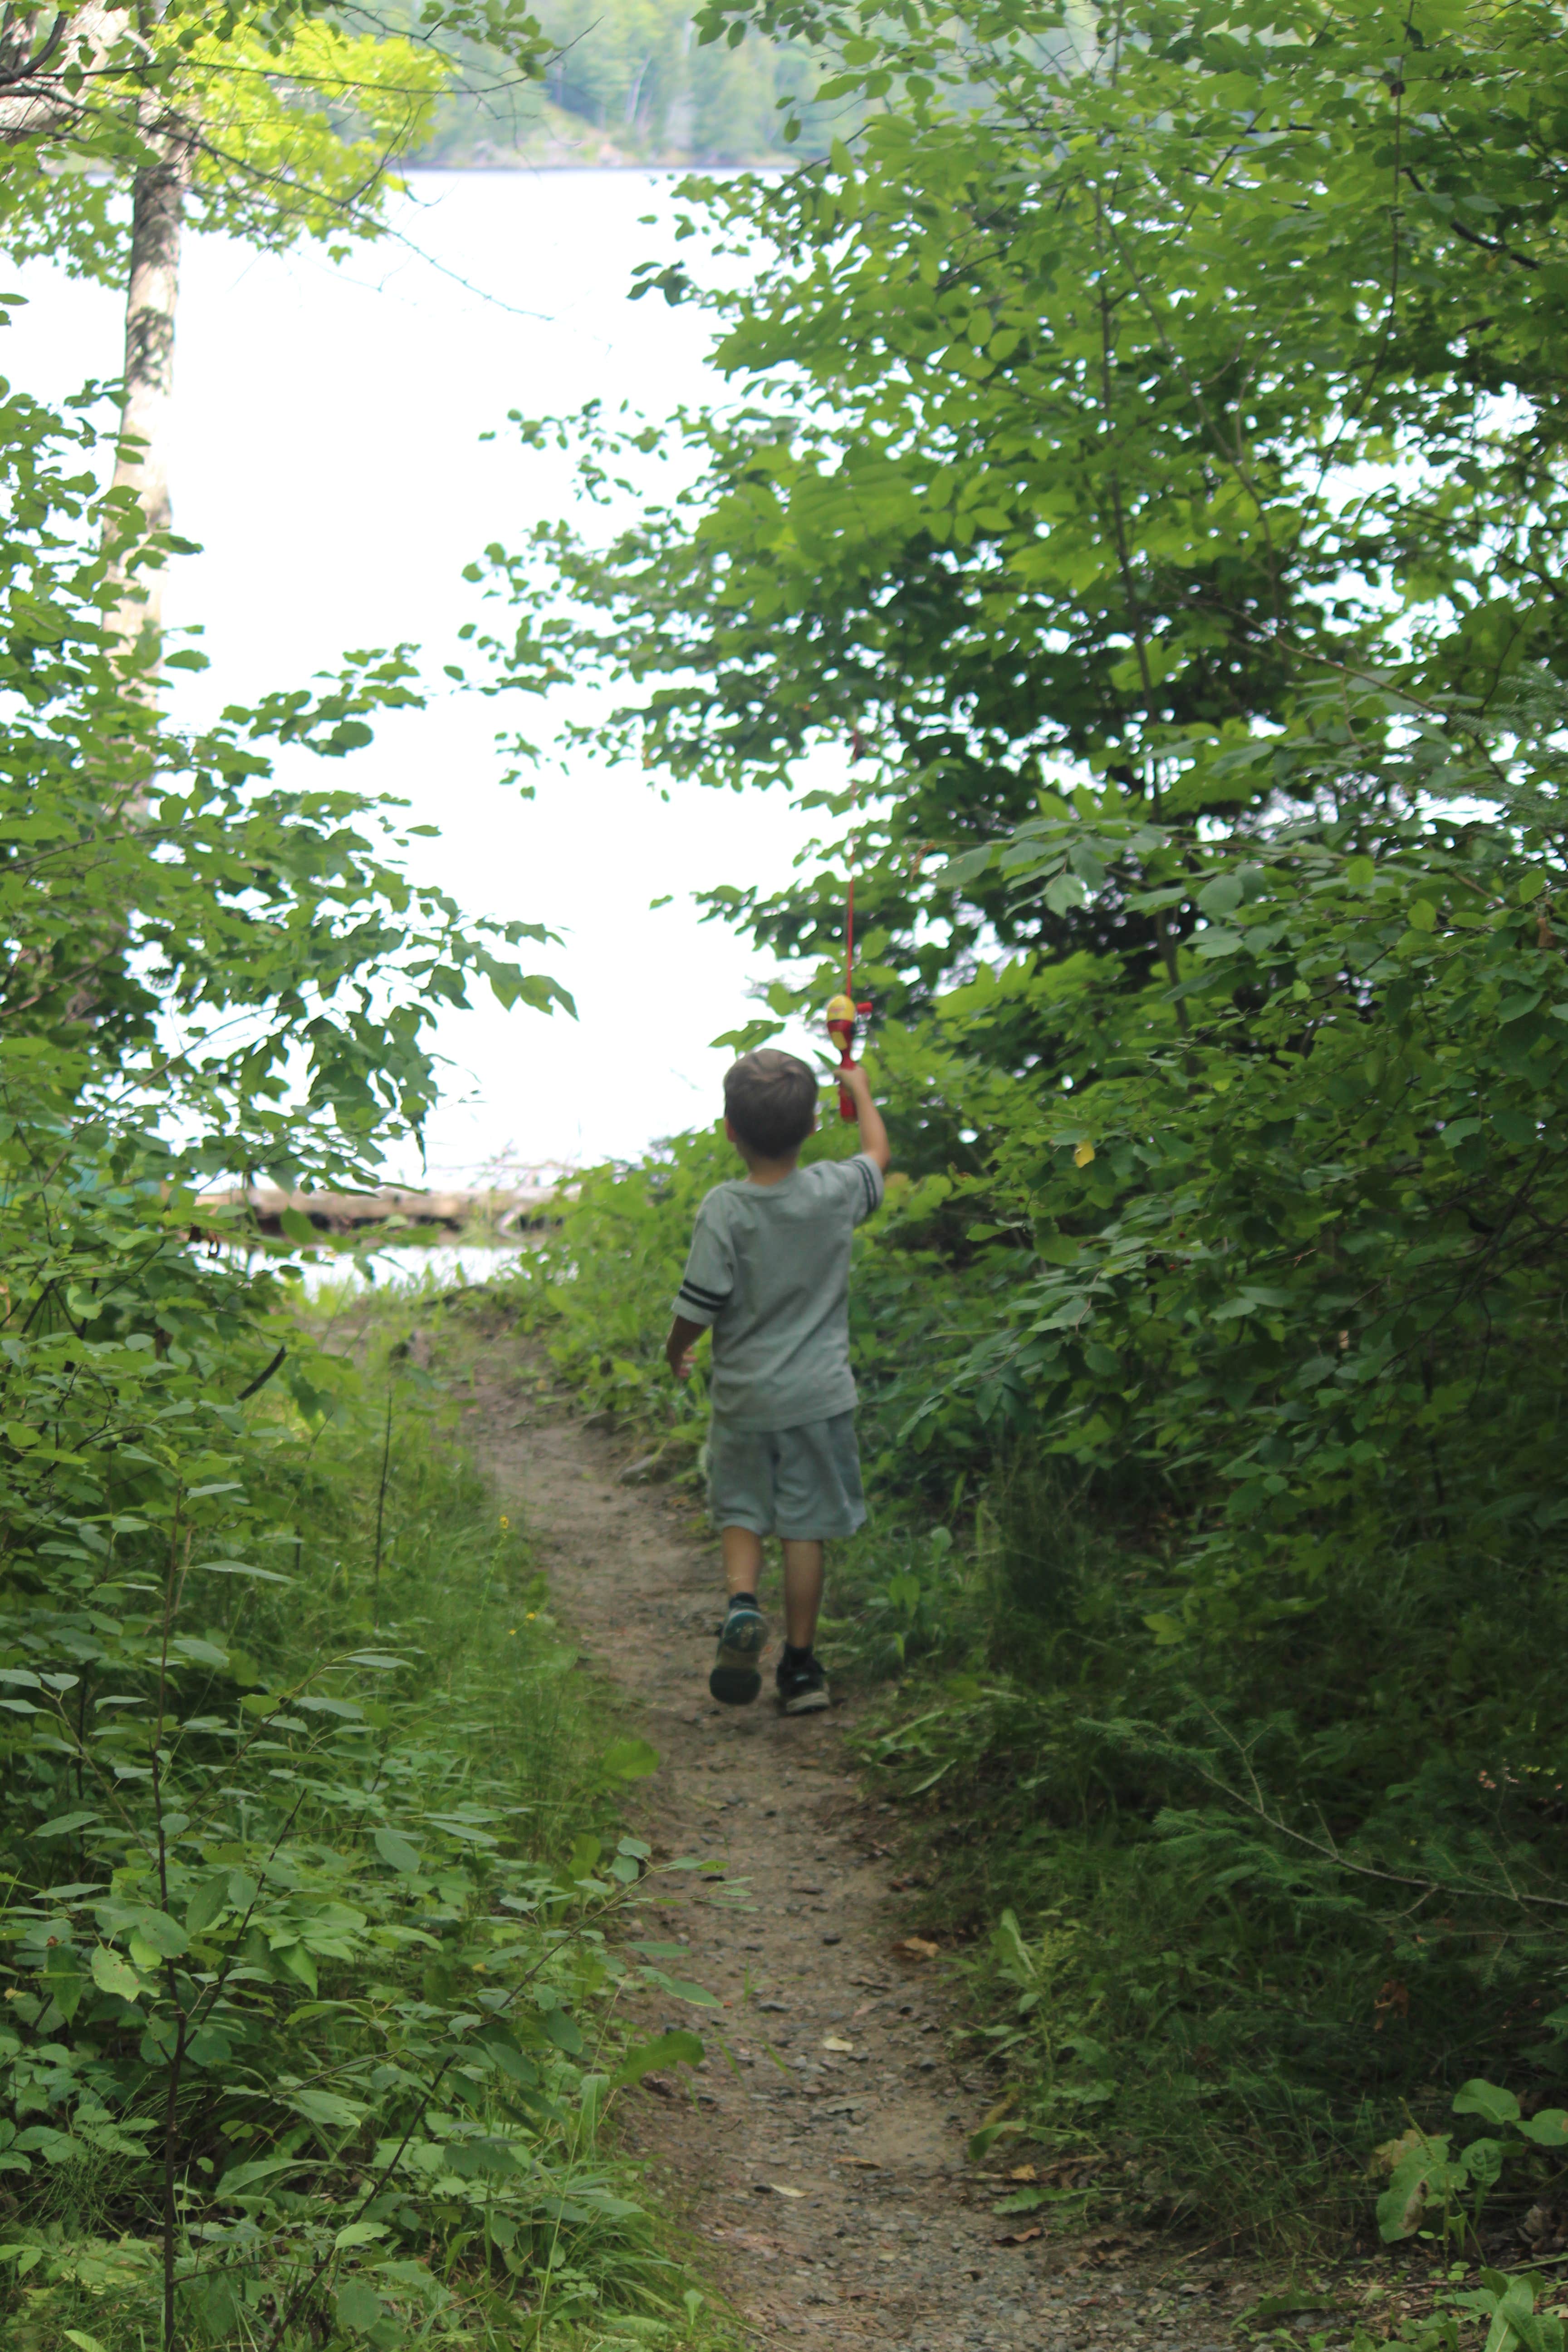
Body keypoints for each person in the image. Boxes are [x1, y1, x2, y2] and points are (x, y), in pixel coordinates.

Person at [665, 1046, 891, 1714]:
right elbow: (877, 1155)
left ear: (729, 1130)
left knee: (741, 1509)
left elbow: (697, 1305)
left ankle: (741, 1604)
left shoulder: (725, 1209)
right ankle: (799, 1669)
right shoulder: (834, 1190)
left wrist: (676, 1351)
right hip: (818, 1399)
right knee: (805, 1526)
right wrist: (861, 1090)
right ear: (814, 1125)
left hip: (743, 1399)